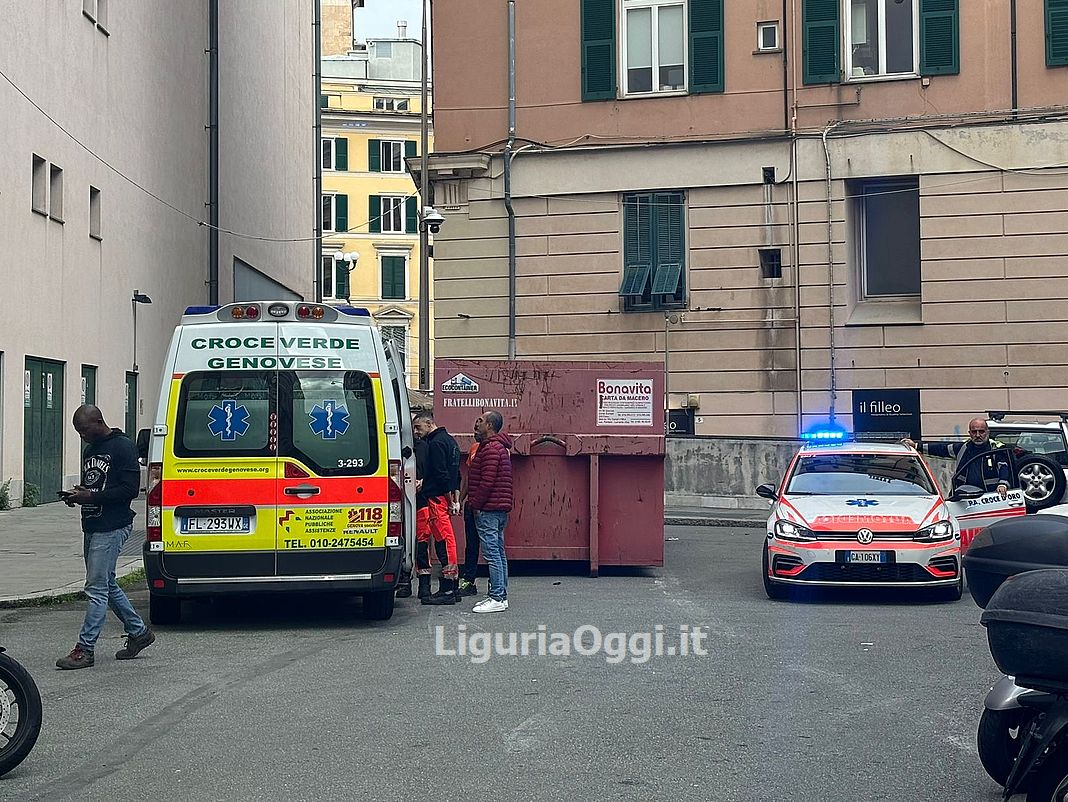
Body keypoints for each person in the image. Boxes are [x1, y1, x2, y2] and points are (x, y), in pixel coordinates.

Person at [56, 405, 155, 670]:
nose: (81, 436)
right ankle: (138, 633)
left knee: (96, 589)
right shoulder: (91, 450)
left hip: (112, 527)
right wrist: (79, 495)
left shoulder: (123, 447)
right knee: (106, 585)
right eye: (77, 431)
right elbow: (97, 485)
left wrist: (93, 496)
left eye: (84, 430)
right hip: (92, 523)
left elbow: (129, 490)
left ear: (99, 422)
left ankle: (85, 649)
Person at [412, 411, 462, 605]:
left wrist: (449, 500)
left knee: (444, 541)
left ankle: (448, 589)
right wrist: (455, 499)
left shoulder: (434, 444)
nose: (416, 432)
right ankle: (452, 588)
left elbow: (442, 475)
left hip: (437, 499)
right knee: (445, 540)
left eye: (418, 427)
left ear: (429, 423)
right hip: (443, 498)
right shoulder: (451, 442)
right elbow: (455, 473)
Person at [466, 410, 514, 614]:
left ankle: (496, 597)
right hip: (498, 508)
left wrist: (475, 504)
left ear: (490, 426)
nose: (476, 424)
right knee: (498, 553)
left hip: (488, 509)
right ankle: (500, 596)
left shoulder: (491, 449)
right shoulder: (497, 448)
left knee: (492, 553)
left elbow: (487, 481)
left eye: (480, 421)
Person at [902, 418, 1011, 498]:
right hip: (963, 497)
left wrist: (1002, 483)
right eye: (974, 432)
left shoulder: (996, 448)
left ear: (988, 432)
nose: (978, 435)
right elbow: (941, 448)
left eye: (981, 431)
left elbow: (1004, 467)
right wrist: (916, 446)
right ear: (969, 433)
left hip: (991, 498)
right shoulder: (963, 448)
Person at [457, 415, 484, 598]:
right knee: (471, 545)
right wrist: (461, 500)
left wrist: (481, 503)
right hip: (471, 505)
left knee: (493, 547)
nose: (475, 429)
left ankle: (497, 586)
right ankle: (469, 581)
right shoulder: (474, 448)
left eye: (478, 426)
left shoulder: (497, 450)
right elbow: (468, 476)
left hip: (485, 507)